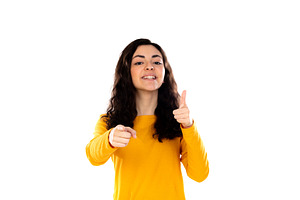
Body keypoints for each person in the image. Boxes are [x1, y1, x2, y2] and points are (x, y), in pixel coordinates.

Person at [86, 38, 209, 200]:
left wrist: (188, 125)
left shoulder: (179, 123)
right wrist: (110, 138)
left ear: (164, 73)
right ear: (127, 73)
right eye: (139, 62)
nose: (149, 66)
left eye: (157, 62)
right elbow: (93, 157)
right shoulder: (110, 121)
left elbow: (199, 174)